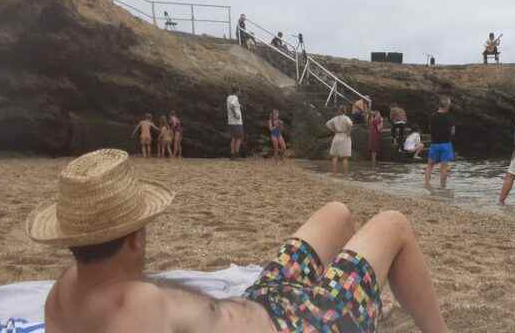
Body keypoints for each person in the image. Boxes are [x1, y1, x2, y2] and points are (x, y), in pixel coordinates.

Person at [26, 149, 449, 333]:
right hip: (305, 325)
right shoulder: (136, 307)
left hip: (266, 300)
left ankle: (357, 294)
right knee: (393, 222)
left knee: (338, 213)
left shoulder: (64, 291)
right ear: (137, 237)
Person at [424, 97, 455, 189]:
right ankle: (442, 187)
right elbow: (453, 132)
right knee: (444, 167)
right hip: (446, 144)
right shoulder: (450, 117)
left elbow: (430, 128)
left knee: (430, 165)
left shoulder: (432, 116)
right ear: (447, 105)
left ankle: (426, 184)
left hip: (435, 144)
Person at [326, 105, 353, 174]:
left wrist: (334, 130)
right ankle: (345, 173)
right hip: (344, 136)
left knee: (335, 156)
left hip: (337, 136)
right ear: (345, 111)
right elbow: (350, 124)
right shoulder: (346, 118)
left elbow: (327, 124)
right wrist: (349, 132)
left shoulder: (335, 118)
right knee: (345, 157)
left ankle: (334, 173)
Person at [227, 87, 244, 160]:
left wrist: (240, 106)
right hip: (237, 122)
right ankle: (237, 155)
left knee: (234, 138)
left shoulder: (229, 97)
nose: (240, 92)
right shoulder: (235, 97)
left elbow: (232, 105)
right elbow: (232, 106)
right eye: (240, 91)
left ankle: (232, 155)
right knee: (240, 137)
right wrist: (235, 115)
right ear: (237, 91)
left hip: (231, 121)